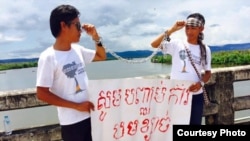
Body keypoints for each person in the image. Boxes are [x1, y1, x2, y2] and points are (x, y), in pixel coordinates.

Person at [36, 4, 106, 141]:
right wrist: (77, 106)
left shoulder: (77, 50)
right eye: (77, 26)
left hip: (92, 116)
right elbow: (42, 93)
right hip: (72, 124)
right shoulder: (48, 57)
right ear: (63, 25)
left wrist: (96, 37)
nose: (80, 30)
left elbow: (101, 56)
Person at [151, 13, 211, 125]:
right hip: (176, 96)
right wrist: (172, 29)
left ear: (201, 29)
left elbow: (208, 73)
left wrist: (200, 84)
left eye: (193, 28)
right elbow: (154, 44)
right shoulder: (177, 44)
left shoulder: (205, 49)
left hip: (196, 96)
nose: (189, 31)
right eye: (187, 27)